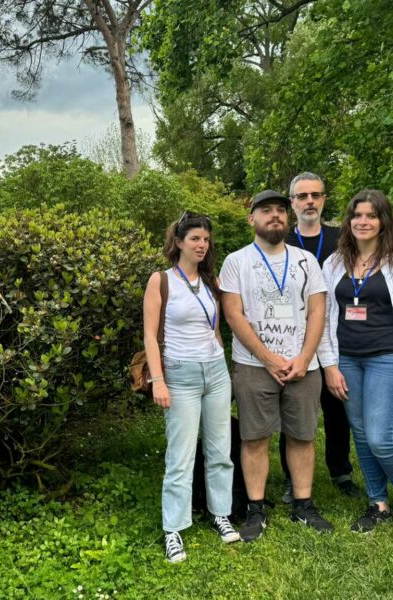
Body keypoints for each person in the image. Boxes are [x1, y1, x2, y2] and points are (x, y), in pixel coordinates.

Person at [220, 190, 332, 541]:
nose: (275, 216)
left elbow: (317, 312)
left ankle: (303, 504)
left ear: (288, 217)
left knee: (302, 435)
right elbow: (233, 314)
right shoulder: (236, 262)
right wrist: (268, 359)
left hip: (302, 366)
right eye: (266, 210)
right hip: (253, 366)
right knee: (254, 438)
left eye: (281, 210)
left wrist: (304, 358)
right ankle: (256, 508)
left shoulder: (306, 261)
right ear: (252, 218)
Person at [318, 189, 393, 533]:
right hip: (347, 360)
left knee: (381, 437)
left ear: (383, 222)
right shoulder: (334, 263)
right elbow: (323, 317)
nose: (363, 221)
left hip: (389, 357)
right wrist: (330, 366)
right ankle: (377, 502)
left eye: (371, 215)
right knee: (363, 436)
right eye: (357, 215)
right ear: (348, 221)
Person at [143, 211, 239, 563]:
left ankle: (221, 513)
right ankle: (173, 529)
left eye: (206, 240)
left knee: (220, 450)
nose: (202, 245)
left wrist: (222, 364)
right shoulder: (161, 281)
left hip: (215, 372)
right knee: (180, 457)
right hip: (179, 374)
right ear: (179, 242)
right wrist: (158, 380)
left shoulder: (211, 281)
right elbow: (149, 336)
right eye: (195, 238)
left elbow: (214, 329)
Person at [280, 172, 361, 502]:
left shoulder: (343, 239)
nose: (309, 201)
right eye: (302, 196)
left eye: (315, 195)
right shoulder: (281, 241)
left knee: (337, 407)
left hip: (336, 335)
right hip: (291, 337)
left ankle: (341, 471)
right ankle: (292, 478)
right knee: (293, 411)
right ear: (292, 203)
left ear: (324, 199)